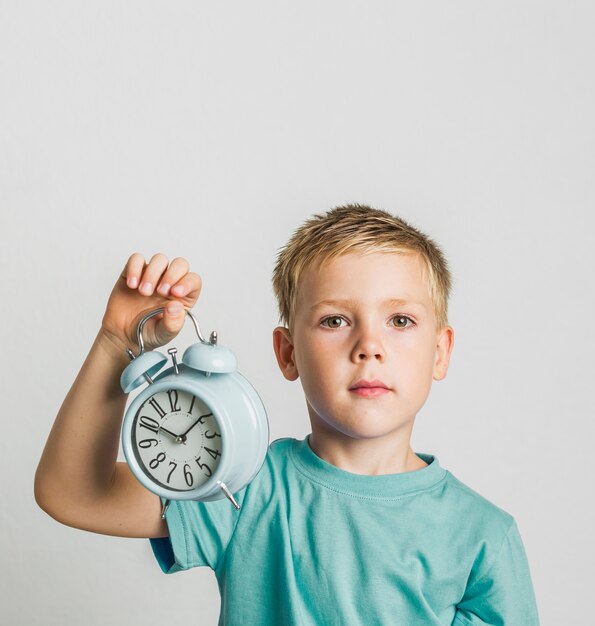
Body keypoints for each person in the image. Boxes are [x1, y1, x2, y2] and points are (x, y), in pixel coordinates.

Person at [35, 204, 540, 625]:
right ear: (288, 353)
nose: (369, 346)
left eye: (401, 320)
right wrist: (116, 343)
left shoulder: (482, 538)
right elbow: (73, 494)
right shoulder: (245, 486)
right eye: (335, 320)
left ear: (440, 352)